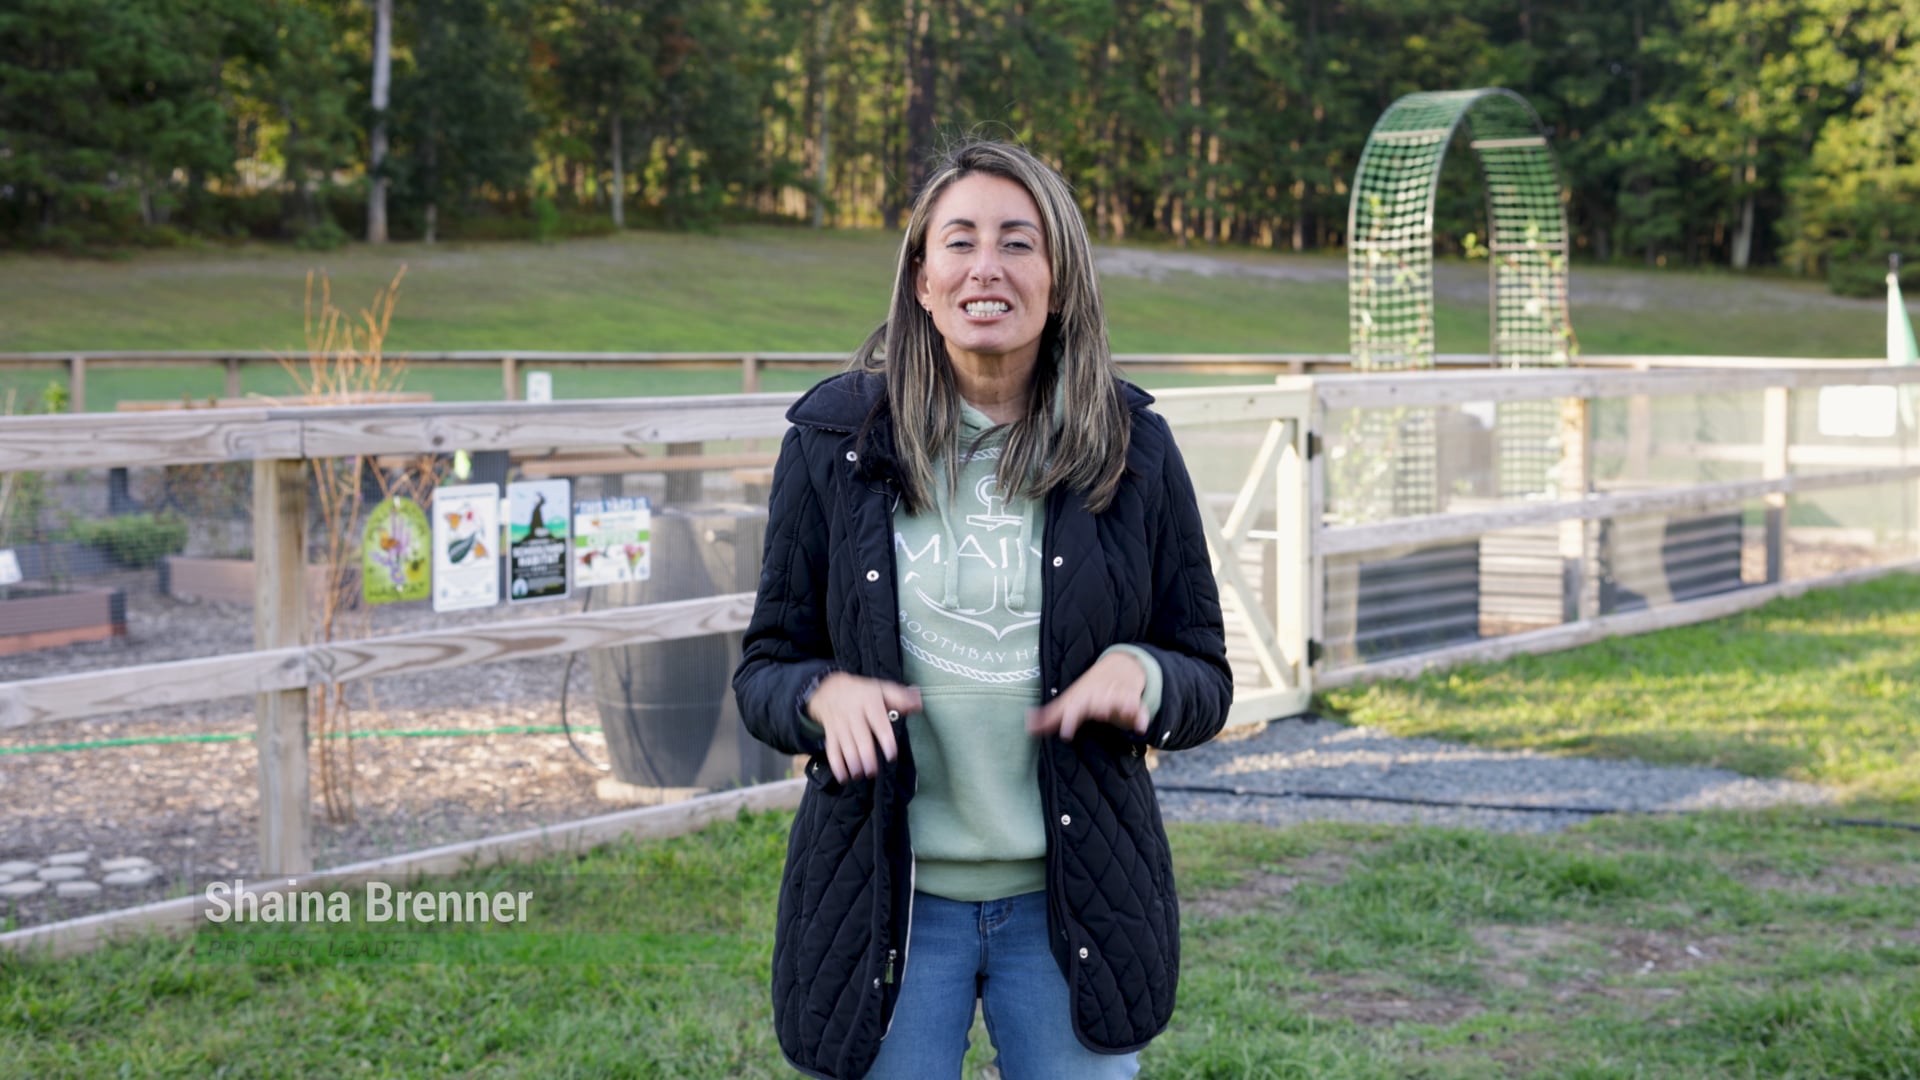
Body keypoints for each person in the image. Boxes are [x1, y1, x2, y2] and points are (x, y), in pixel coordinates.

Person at [733, 139, 1232, 1080]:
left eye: (1018, 241)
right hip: (886, 899)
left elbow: (1204, 672)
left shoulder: (1135, 452)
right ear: (922, 279)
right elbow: (765, 669)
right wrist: (821, 694)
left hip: (1073, 903)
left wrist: (1148, 674)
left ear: (1062, 279)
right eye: (958, 242)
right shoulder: (833, 446)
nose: (986, 267)